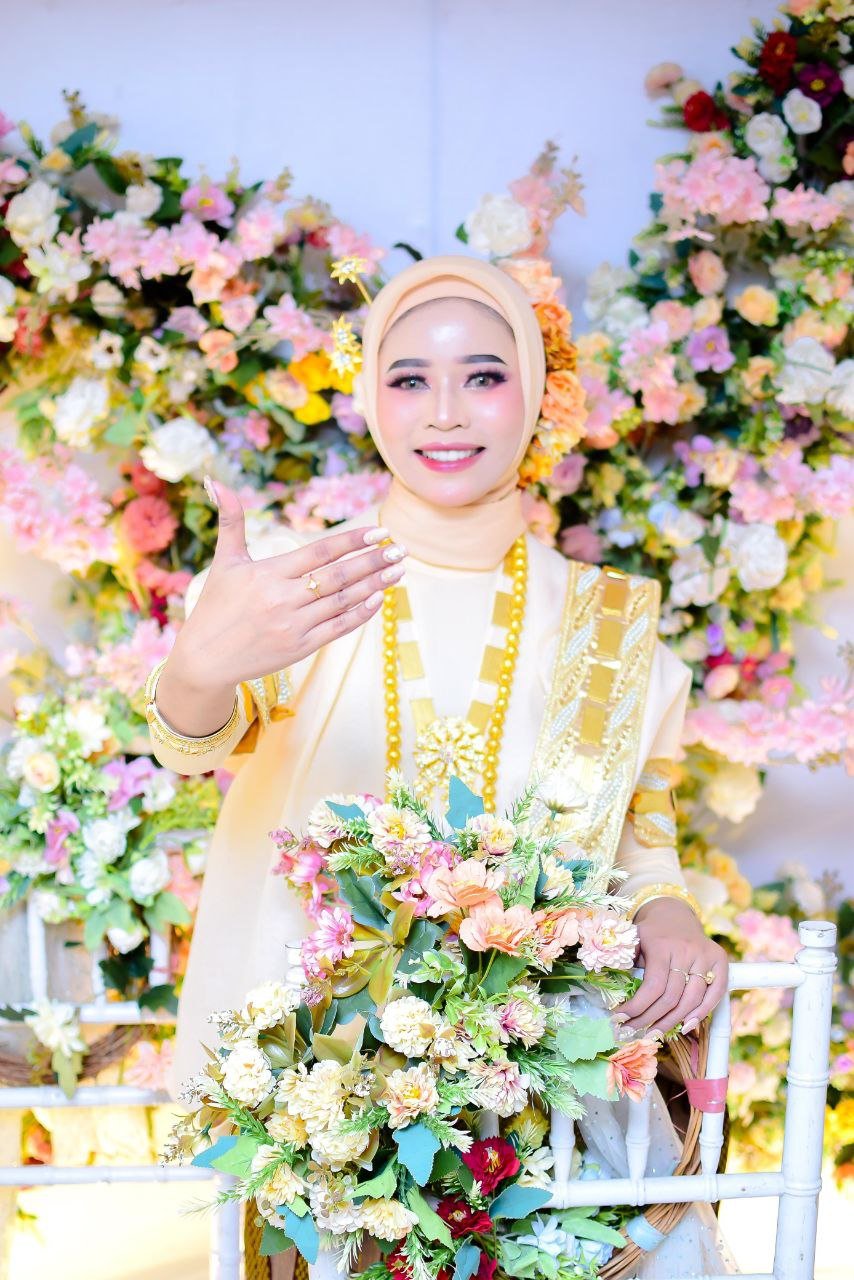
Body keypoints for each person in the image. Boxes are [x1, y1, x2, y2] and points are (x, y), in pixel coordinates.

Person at [145, 255, 732, 1277]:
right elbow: (195, 738)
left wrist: (668, 907)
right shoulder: (300, 579)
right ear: (369, 397)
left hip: (527, 1082)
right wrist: (196, 667)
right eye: (409, 377)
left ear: (537, 394)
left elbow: (639, 828)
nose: (445, 412)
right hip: (312, 1084)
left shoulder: (608, 621)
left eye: (483, 376)